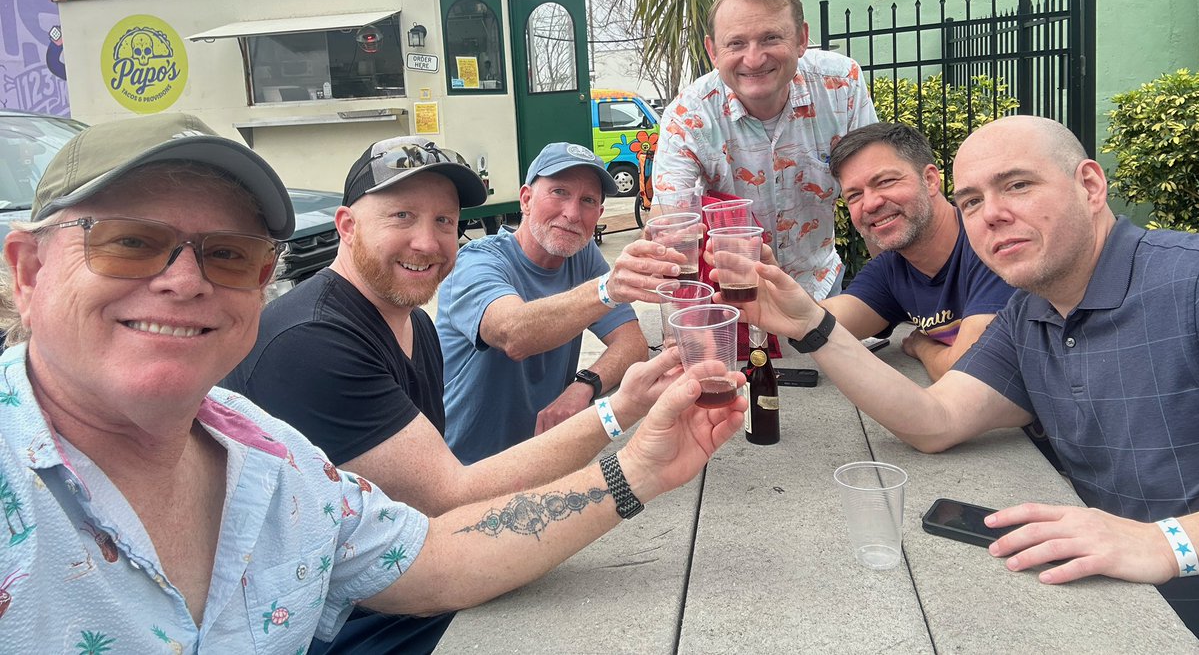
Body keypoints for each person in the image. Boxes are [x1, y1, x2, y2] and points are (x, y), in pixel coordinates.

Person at [0, 113, 744, 652]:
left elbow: (432, 555)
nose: (184, 280)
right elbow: (458, 478)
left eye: (227, 254)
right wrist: (617, 409)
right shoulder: (315, 341)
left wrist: (640, 469)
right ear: (28, 272)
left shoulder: (269, 456)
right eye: (131, 243)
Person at [733, 115, 1199, 635]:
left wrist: (1166, 542)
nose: (992, 215)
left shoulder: (1188, 280)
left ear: (1089, 185)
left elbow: (1156, 545)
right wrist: (810, 325)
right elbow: (936, 420)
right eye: (973, 200)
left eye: (1017, 185)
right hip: (1114, 599)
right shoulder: (1031, 313)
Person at [225, 135, 687, 653]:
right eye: (401, 216)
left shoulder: (415, 327)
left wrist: (598, 390)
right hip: (314, 622)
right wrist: (625, 426)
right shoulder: (311, 342)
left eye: (444, 221)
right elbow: (446, 504)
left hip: (390, 568)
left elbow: (424, 523)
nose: (426, 241)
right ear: (346, 226)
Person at [440, 142, 680, 465]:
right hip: (463, 469)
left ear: (599, 214)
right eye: (559, 192)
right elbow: (514, 333)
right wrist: (608, 290)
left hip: (541, 459)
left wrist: (585, 386)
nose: (572, 213)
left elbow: (633, 344)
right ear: (525, 200)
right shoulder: (476, 262)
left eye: (588, 201)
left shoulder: (582, 257)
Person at [652, 0, 877, 298]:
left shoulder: (841, 86)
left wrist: (904, 299)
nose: (754, 59)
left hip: (818, 286)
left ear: (801, 39)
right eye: (736, 43)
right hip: (732, 296)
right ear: (713, 51)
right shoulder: (688, 116)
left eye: (771, 38)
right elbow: (671, 223)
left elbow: (874, 198)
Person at [823, 122, 1015, 380]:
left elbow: (970, 369)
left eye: (886, 181)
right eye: (855, 195)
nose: (870, 203)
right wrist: (768, 291)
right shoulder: (893, 267)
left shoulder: (989, 242)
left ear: (931, 180)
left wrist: (922, 345)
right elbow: (826, 320)